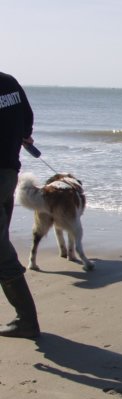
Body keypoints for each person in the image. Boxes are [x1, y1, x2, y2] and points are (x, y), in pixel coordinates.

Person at [0, 72, 40, 339]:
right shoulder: (8, 82)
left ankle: (27, 321)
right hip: (8, 174)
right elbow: (27, 117)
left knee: (2, 253)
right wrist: (23, 135)